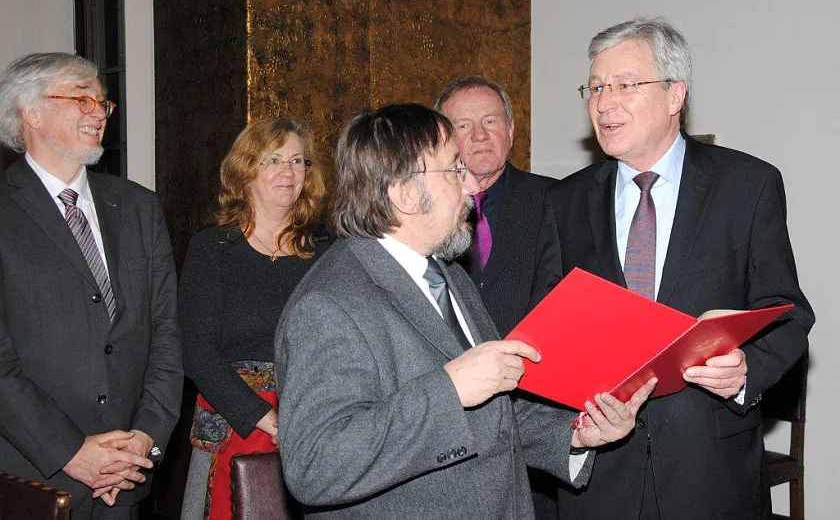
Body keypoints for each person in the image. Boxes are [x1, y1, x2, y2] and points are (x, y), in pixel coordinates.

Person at [274, 103, 656, 519]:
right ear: (404, 194)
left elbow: (494, 410)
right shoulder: (328, 305)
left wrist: (578, 434)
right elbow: (316, 465)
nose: (473, 185)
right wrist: (448, 390)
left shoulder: (446, 274)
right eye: (455, 170)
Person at [543, 18, 815, 519]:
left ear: (675, 95)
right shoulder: (563, 202)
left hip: (711, 474)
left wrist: (745, 370)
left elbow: (790, 315)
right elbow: (550, 338)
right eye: (596, 86)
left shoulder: (747, 186)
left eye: (625, 84)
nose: (604, 103)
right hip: (599, 482)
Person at [0, 52, 183, 517]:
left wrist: (144, 440)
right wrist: (71, 452)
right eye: (81, 98)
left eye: (102, 102)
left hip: (124, 480)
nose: (98, 112)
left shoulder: (139, 207)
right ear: (31, 113)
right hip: (31, 480)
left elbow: (166, 334)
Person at [179, 117, 331, 519]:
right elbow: (197, 352)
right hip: (234, 421)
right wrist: (269, 421)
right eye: (274, 160)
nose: (289, 172)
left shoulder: (328, 250)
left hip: (313, 419)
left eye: (299, 161)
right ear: (245, 170)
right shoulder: (212, 248)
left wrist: (303, 420)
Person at [435, 76, 561, 517]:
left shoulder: (558, 201)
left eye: (491, 121)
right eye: (464, 126)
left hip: (539, 417)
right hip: (447, 425)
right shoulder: (421, 213)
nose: (481, 135)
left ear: (511, 128)